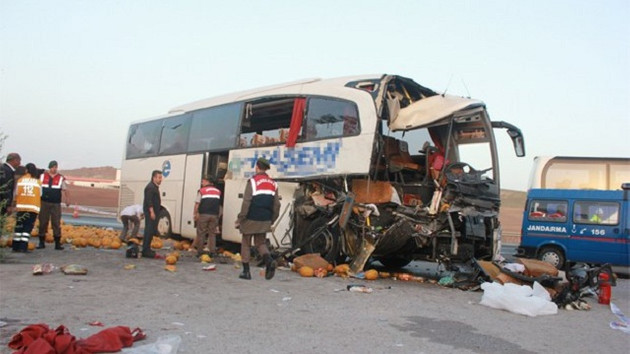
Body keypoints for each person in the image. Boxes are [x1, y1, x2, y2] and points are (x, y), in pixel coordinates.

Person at [235, 157, 280, 280]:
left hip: (251, 217)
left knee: (246, 243)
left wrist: (241, 218)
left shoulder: (253, 182)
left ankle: (246, 272)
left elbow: (246, 203)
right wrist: (272, 219)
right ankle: (269, 260)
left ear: (257, 167)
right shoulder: (273, 183)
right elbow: (277, 205)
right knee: (260, 243)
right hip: (265, 219)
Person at [37, 160, 70, 250]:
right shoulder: (42, 176)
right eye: (52, 167)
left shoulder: (60, 178)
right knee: (43, 221)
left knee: (56, 222)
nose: (54, 169)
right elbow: (37, 187)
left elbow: (65, 189)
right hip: (44, 202)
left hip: (55, 203)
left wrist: (67, 199)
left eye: (55, 167)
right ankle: (41, 242)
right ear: (49, 167)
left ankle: (57, 243)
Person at [12, 163, 42, 252]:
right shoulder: (37, 182)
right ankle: (23, 247)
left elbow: (16, 193)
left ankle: (15, 246)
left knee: (19, 227)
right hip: (32, 208)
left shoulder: (20, 180)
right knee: (27, 228)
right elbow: (40, 194)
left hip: (21, 208)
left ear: (26, 170)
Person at [192, 175, 222, 257]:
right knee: (212, 234)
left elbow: (197, 204)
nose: (202, 182)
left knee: (201, 233)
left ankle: (200, 252)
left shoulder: (202, 191)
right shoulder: (218, 191)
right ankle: (212, 252)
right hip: (214, 215)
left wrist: (195, 214)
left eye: (203, 181)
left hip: (204, 214)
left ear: (208, 182)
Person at [142, 170, 162, 258]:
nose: (161, 179)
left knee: (151, 231)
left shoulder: (154, 187)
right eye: (159, 178)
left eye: (161, 178)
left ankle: (147, 248)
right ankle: (145, 250)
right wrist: (152, 211)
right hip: (151, 212)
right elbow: (149, 200)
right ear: (154, 178)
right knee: (149, 231)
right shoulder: (150, 187)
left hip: (153, 212)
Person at [0, 153, 21, 217]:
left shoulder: (3, 169)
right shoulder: (7, 171)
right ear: (15, 160)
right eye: (19, 161)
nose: (20, 163)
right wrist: (7, 205)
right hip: (2, 203)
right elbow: (6, 188)